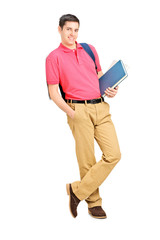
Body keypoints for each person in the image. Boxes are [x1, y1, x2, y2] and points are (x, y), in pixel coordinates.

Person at [45, 14, 121, 219]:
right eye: (68, 29)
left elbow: (98, 78)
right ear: (59, 29)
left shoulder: (89, 49)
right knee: (86, 159)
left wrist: (110, 90)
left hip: (100, 107)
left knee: (114, 154)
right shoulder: (53, 58)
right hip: (78, 110)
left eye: (76, 30)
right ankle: (94, 203)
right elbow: (53, 93)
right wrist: (73, 113)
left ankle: (77, 191)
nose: (72, 34)